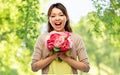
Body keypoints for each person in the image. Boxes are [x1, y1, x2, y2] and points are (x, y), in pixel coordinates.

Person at [31, 3, 90, 74]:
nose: (57, 18)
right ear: (49, 19)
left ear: (66, 17)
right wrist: (54, 56)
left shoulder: (76, 38)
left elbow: (86, 68)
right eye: (53, 16)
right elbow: (34, 67)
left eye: (61, 15)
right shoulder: (42, 38)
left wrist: (64, 57)